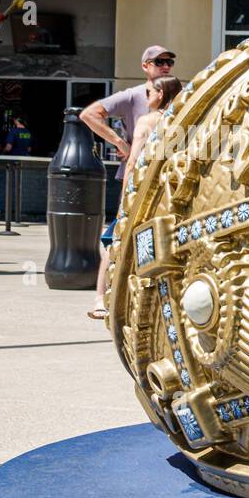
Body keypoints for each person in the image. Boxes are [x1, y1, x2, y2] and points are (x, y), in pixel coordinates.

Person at [90, 76, 183, 319]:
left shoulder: (147, 121)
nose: (146, 96)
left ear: (160, 94)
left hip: (142, 193)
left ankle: (101, 299)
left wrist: (124, 197)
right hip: (169, 194)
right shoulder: (184, 122)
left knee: (114, 241)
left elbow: (133, 161)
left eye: (150, 92)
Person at [81, 44, 176, 181]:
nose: (166, 66)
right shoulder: (132, 95)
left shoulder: (180, 94)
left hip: (169, 174)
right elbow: (89, 115)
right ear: (145, 66)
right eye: (159, 62)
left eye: (170, 62)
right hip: (138, 174)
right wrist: (120, 143)